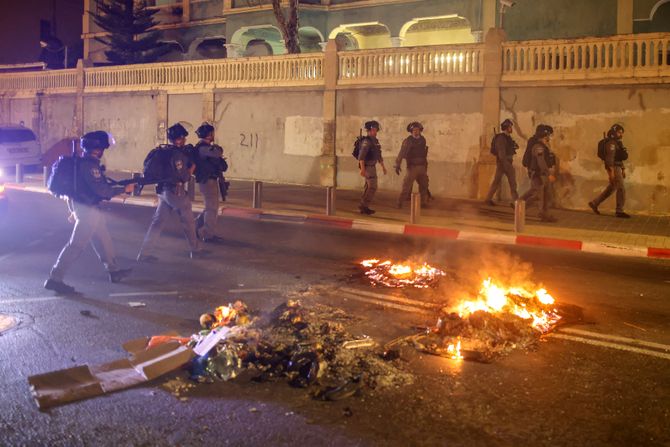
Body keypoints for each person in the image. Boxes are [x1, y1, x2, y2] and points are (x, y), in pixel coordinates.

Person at [44, 131, 134, 294]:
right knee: (76, 245)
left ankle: (114, 271)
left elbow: (76, 190)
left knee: (103, 239)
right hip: (88, 211)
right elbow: (102, 190)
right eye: (102, 148)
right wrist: (123, 189)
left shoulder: (82, 163)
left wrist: (73, 210)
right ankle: (55, 278)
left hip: (87, 208)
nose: (103, 151)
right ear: (97, 148)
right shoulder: (89, 166)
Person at [137, 123, 204, 261]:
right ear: (178, 139)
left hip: (162, 191)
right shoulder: (176, 155)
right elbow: (184, 176)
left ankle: (144, 253)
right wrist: (192, 168)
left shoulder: (163, 150)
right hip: (175, 192)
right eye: (183, 137)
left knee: (157, 222)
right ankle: (195, 249)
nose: (185, 140)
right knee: (189, 221)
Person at [193, 122, 227, 243]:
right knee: (212, 209)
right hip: (207, 181)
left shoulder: (205, 148)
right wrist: (219, 149)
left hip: (209, 181)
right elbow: (218, 152)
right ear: (208, 134)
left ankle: (195, 226)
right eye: (212, 133)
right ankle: (207, 234)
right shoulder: (203, 148)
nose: (213, 135)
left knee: (210, 207)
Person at [589, 124, 630, 218]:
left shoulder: (617, 142)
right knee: (621, 188)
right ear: (614, 132)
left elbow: (619, 157)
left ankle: (594, 203)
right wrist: (610, 174)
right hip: (614, 168)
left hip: (618, 167)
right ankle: (619, 211)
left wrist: (623, 169)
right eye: (619, 132)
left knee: (612, 188)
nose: (621, 134)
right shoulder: (611, 143)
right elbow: (610, 160)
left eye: (621, 132)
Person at [520, 125, 558, 222]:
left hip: (541, 174)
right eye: (548, 135)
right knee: (538, 193)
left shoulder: (543, 146)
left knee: (544, 194)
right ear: (544, 135)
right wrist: (548, 174)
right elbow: (541, 162)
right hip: (537, 174)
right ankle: (519, 205)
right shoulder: (538, 147)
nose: (549, 137)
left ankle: (543, 214)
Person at [484, 119, 519, 207]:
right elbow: (501, 153)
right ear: (506, 128)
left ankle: (515, 201)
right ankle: (515, 202)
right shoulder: (501, 138)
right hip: (503, 163)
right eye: (510, 127)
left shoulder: (508, 138)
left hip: (507, 162)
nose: (511, 128)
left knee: (508, 183)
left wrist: (513, 146)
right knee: (507, 183)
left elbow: (510, 148)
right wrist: (507, 165)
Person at [394, 121, 430, 208]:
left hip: (422, 166)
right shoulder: (408, 141)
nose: (416, 131)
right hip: (412, 167)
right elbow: (402, 153)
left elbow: (423, 154)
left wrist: (425, 166)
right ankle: (399, 203)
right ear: (411, 131)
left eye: (417, 130)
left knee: (424, 185)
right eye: (414, 130)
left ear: (420, 130)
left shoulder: (423, 139)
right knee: (406, 186)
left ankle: (423, 203)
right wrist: (397, 164)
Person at [358, 120, 387, 215]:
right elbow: (361, 157)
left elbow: (378, 154)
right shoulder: (367, 142)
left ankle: (363, 205)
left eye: (376, 130)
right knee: (373, 187)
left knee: (368, 187)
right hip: (368, 167)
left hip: (372, 166)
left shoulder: (375, 141)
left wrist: (383, 166)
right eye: (374, 130)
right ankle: (364, 206)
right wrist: (362, 169)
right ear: (369, 131)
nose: (375, 131)